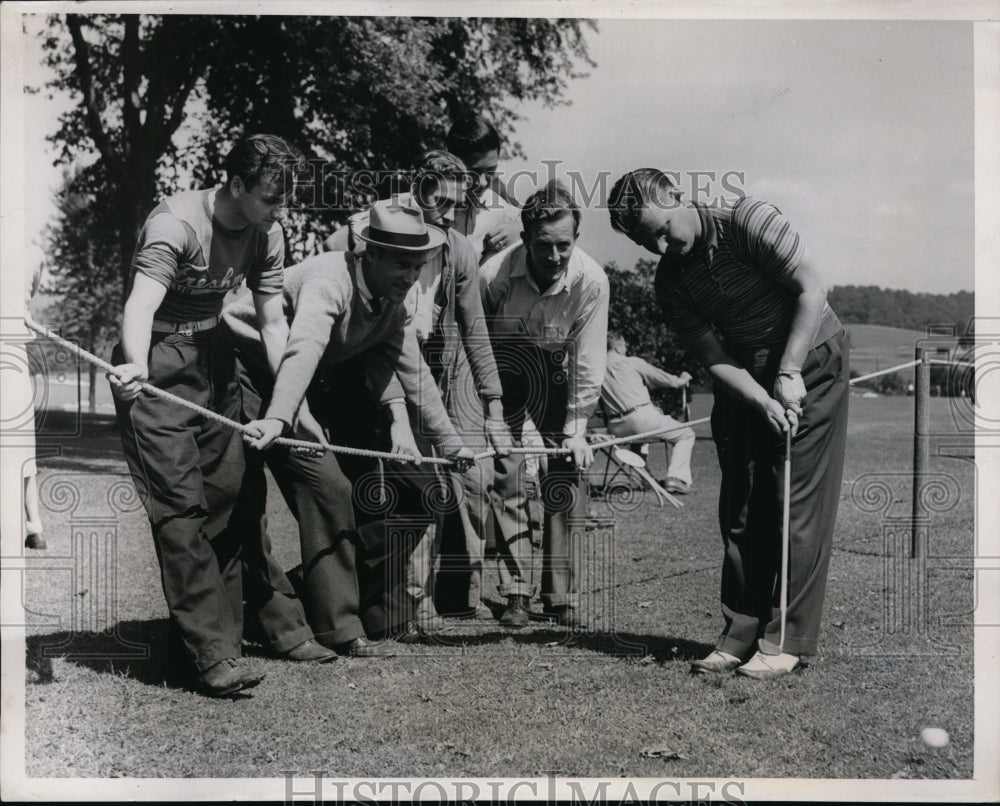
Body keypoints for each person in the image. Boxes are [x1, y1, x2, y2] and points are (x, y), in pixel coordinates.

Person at [108, 135, 336, 698]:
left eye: (284, 203)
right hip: (157, 362)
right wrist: (136, 366)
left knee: (238, 496)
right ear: (236, 185)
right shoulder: (176, 225)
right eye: (269, 200)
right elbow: (139, 304)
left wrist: (292, 405)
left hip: (215, 357)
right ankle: (211, 654)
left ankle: (269, 628)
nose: (278, 213)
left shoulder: (268, 233)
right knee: (181, 509)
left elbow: (273, 323)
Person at [609, 168, 849, 679]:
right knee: (740, 502)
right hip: (743, 371)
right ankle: (740, 634)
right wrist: (761, 398)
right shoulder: (671, 281)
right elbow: (712, 355)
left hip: (809, 354)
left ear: (676, 195)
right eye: (645, 240)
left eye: (661, 228)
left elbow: (811, 288)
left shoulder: (746, 219)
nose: (661, 245)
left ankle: (785, 640)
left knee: (793, 500)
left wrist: (787, 373)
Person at [224, 196, 475, 652]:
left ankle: (349, 620)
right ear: (370, 254)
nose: (409, 277)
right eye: (400, 264)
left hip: (300, 381)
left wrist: (452, 445)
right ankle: (316, 624)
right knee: (310, 490)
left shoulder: (393, 302)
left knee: (364, 492)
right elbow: (300, 348)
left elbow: (414, 376)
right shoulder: (328, 281)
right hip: (246, 369)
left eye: (417, 267)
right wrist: (287, 416)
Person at [327, 151, 513, 627]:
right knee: (403, 484)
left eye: (460, 204)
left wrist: (493, 407)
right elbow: (335, 262)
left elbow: (476, 332)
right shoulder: (373, 227)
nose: (453, 216)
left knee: (465, 478)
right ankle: (407, 602)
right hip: (375, 362)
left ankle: (452, 596)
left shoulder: (460, 250)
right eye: (442, 203)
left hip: (437, 363)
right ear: (418, 190)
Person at [480, 179, 609, 628]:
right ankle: (515, 590)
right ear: (524, 238)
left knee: (566, 472)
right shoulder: (493, 275)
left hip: (559, 365)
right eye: (543, 246)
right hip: (503, 365)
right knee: (508, 470)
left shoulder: (592, 281)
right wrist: (490, 403)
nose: (554, 258)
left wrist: (576, 428)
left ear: (576, 238)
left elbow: (590, 359)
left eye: (564, 246)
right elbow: (473, 337)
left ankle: (561, 594)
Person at [600, 330, 696, 494]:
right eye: (624, 346)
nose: (626, 349)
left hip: (615, 426)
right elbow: (663, 379)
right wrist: (682, 380)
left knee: (640, 436)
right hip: (640, 418)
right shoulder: (630, 362)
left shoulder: (597, 367)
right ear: (617, 347)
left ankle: (645, 478)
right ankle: (676, 479)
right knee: (686, 434)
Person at [446, 114, 521, 263]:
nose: (482, 182)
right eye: (474, 171)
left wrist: (522, 229)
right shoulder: (428, 207)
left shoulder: (504, 212)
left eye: (491, 170)